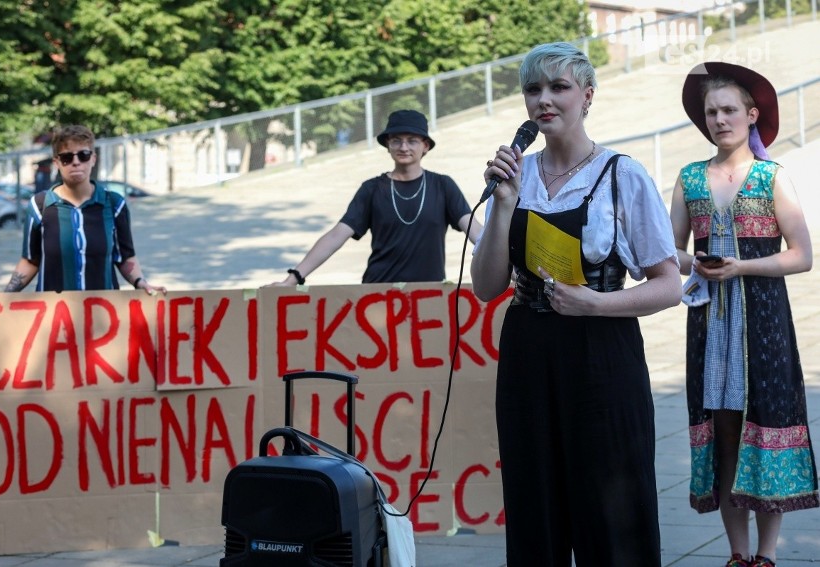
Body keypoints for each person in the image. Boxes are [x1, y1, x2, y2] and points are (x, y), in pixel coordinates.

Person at [471, 42, 682, 566]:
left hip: (602, 349)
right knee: (533, 498)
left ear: (587, 96)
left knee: (610, 501)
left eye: (558, 87)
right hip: (527, 349)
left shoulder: (621, 175)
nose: (544, 100)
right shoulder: (515, 177)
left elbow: (670, 283)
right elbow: (485, 284)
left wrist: (597, 304)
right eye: (533, 89)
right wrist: (502, 204)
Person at [670, 61, 819, 567]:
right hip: (710, 325)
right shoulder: (690, 179)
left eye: (729, 109)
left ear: (752, 115)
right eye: (711, 111)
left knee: (767, 427)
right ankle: (738, 555)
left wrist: (741, 267)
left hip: (763, 323)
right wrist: (702, 264)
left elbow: (802, 254)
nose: (719, 119)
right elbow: (669, 254)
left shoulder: (772, 176)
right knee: (725, 431)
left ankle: (767, 555)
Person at [271, 109, 482, 286]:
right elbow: (336, 236)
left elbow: (475, 231)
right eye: (396, 140)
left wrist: (509, 268)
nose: (404, 147)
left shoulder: (443, 186)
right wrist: (293, 279)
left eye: (412, 141)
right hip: (377, 295)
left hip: (428, 298)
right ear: (388, 145)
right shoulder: (372, 189)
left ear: (425, 146)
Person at [2, 124, 166, 294]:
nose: (76, 162)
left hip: (103, 311)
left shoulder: (114, 204)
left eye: (83, 155)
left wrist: (141, 282)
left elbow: (125, 257)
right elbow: (31, 260)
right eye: (67, 157)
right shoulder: (39, 205)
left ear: (93, 159)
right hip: (54, 313)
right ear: (57, 162)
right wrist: (5, 295)